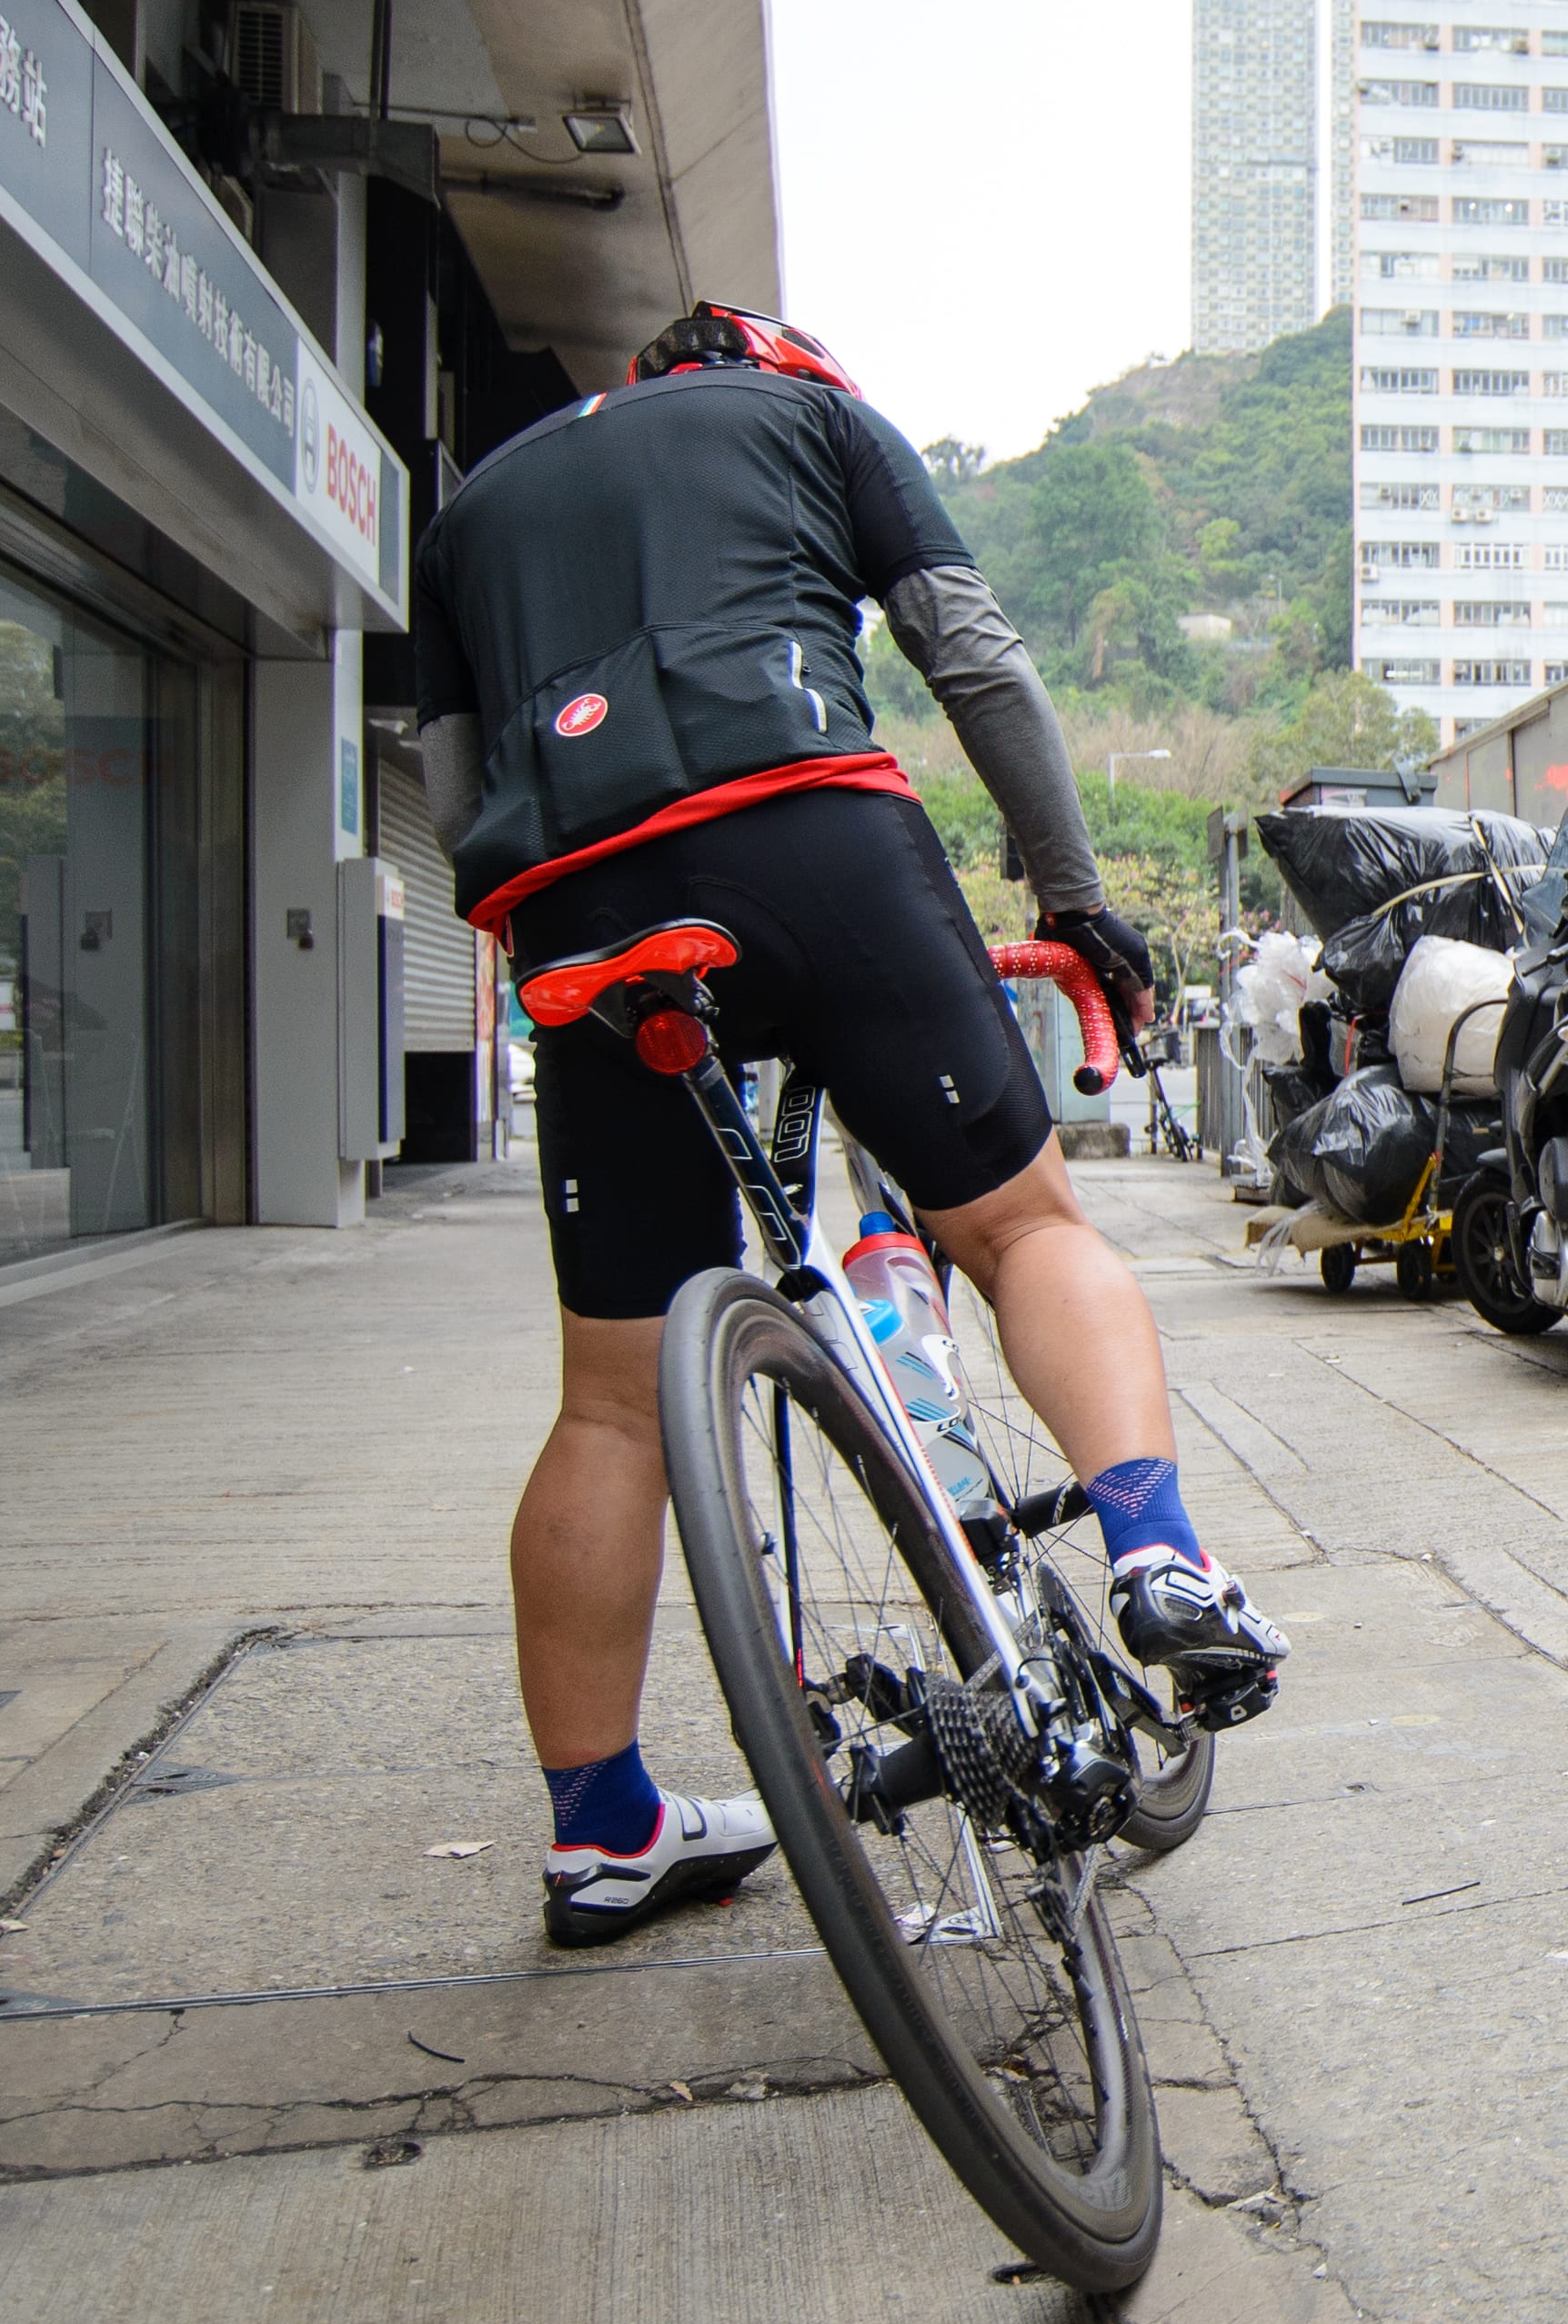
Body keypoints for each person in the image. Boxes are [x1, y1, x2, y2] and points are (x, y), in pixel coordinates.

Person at [410, 302, 1289, 1948]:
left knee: (611, 1401)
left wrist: (559, 932)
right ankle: (1162, 1554)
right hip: (808, 830)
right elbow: (976, 657)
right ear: (769, 363)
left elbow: (454, 781)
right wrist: (1078, 901)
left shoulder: (475, 507)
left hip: (577, 912)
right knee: (1025, 1226)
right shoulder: (814, 417)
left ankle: (603, 1828)